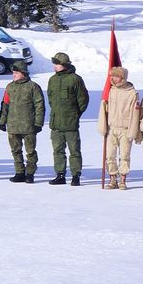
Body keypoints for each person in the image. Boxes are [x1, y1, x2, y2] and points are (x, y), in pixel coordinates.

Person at [46, 52, 89, 186]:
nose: (55, 67)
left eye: (57, 64)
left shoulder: (75, 79)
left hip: (70, 123)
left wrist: (75, 114)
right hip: (56, 123)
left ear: (64, 65)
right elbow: (51, 99)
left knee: (74, 150)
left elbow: (83, 100)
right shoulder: (52, 80)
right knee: (57, 150)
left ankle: (75, 175)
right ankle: (60, 174)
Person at [0, 61, 44, 183]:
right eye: (13, 72)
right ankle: (19, 172)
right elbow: (5, 105)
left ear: (23, 73)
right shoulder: (10, 87)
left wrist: (38, 123)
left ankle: (30, 173)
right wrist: (2, 121)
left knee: (30, 151)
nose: (13, 75)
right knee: (15, 150)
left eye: (16, 72)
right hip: (13, 126)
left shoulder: (33, 87)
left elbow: (39, 106)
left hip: (28, 126)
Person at [97, 67, 140, 190]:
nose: (114, 79)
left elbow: (135, 114)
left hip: (125, 128)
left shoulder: (132, 93)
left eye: (116, 76)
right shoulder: (110, 91)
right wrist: (103, 125)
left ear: (123, 78)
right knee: (110, 155)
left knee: (125, 155)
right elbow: (104, 109)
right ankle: (112, 178)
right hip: (111, 128)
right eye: (113, 76)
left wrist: (133, 130)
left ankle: (123, 179)